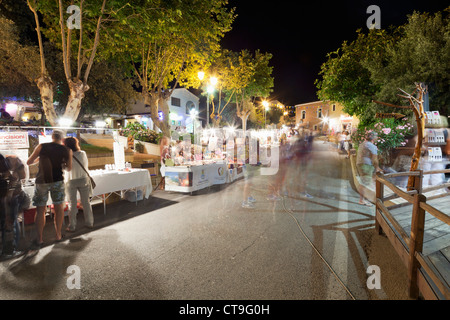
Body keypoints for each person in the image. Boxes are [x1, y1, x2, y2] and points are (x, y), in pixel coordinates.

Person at [27, 130, 72, 246]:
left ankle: (40, 238)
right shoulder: (66, 150)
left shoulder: (42, 146)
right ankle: (58, 235)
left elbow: (29, 162)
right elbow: (69, 168)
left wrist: (39, 159)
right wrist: (62, 164)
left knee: (40, 210)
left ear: (52, 137)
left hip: (42, 181)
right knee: (58, 208)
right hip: (57, 181)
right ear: (62, 139)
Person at [63, 137, 94, 232]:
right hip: (83, 180)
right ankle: (89, 223)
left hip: (71, 181)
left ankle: (72, 226)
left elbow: (66, 169)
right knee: (86, 202)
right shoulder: (83, 153)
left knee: (72, 204)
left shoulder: (66, 156)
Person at [0, 154, 26, 257]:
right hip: (7, 197)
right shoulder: (4, 160)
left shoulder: (4, 160)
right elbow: (14, 177)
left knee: (7, 222)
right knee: (10, 222)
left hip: (6, 196)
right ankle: (10, 249)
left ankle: (7, 249)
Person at [356, 131, 382, 206]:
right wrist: (377, 167)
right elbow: (374, 158)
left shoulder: (363, 144)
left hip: (360, 164)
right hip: (366, 165)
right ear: (373, 138)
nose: (377, 138)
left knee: (366, 181)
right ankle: (361, 200)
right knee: (364, 182)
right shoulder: (371, 146)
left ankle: (363, 198)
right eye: (376, 136)